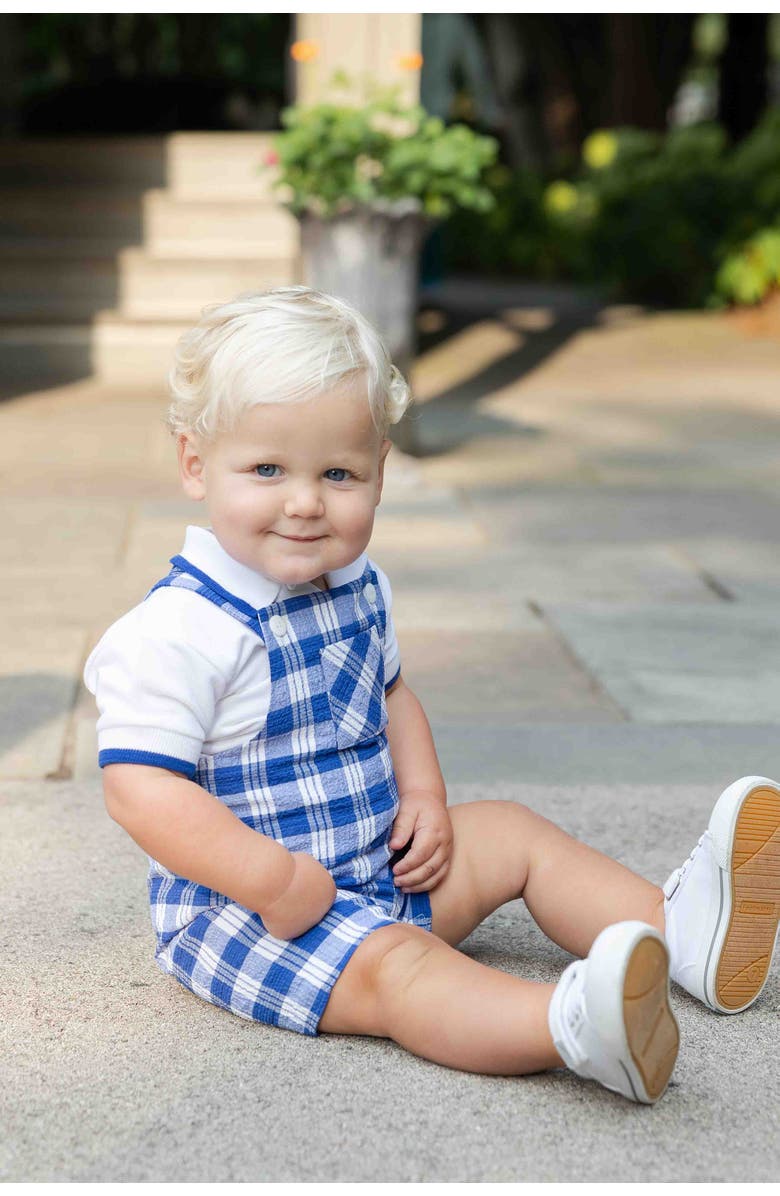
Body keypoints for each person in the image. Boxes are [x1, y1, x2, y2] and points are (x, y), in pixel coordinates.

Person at [84, 287, 780, 1105]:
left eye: (337, 473)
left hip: (381, 867)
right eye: (267, 469)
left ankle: (685, 936)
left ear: (380, 470)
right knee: (401, 970)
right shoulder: (178, 630)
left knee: (514, 835)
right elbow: (140, 791)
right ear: (196, 464)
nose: (305, 501)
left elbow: (391, 693)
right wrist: (271, 881)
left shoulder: (356, 584)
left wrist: (425, 795)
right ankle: (568, 1026)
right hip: (250, 913)